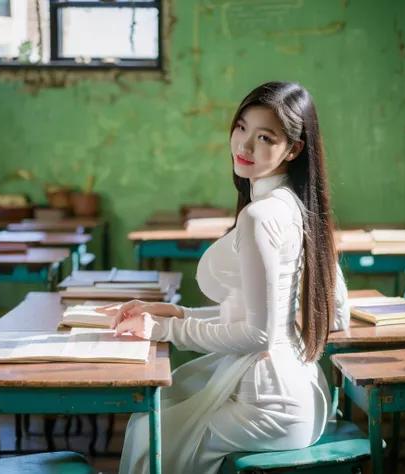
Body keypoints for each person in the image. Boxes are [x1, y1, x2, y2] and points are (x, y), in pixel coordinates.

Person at [97, 81, 350, 474]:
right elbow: (271, 316)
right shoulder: (295, 205)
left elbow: (258, 334)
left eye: (265, 137)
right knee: (160, 408)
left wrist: (163, 330)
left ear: (294, 149)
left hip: (268, 404)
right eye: (241, 128)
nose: (244, 146)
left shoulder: (262, 215)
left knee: (149, 435)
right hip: (295, 389)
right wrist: (173, 314)